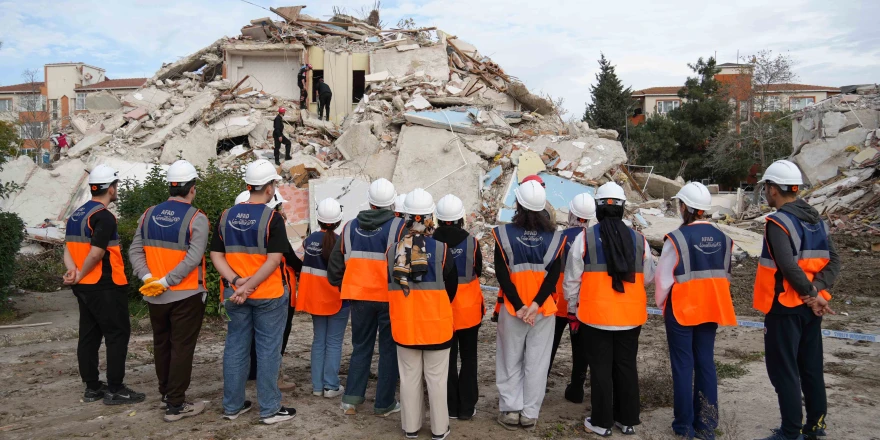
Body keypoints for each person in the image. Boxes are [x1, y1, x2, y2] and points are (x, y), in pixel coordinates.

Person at [753, 160, 839, 440]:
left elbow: (788, 266)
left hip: (785, 307)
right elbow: (834, 261)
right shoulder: (816, 220)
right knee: (811, 368)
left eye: (766, 187)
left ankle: (791, 432)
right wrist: (817, 293)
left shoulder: (778, 222)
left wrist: (812, 295)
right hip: (811, 308)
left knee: (784, 371)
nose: (766, 192)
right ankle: (815, 426)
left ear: (773, 189)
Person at [563, 181, 655, 437]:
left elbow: (571, 280)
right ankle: (627, 420)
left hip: (595, 317)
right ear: (622, 208)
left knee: (600, 369)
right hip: (630, 316)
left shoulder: (584, 238)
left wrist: (572, 308)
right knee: (626, 367)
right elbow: (648, 277)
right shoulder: (640, 240)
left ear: (598, 208)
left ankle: (601, 422)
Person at [210, 159, 296, 425]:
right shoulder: (272, 218)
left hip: (235, 294)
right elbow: (274, 260)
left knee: (236, 348)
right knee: (268, 351)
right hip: (268, 295)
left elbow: (216, 255)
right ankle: (269, 409)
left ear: (249, 186)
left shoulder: (226, 216)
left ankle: (232, 406)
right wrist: (249, 286)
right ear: (269, 188)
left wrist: (237, 282)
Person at [128, 160, 209, 421]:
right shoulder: (196, 218)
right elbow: (193, 258)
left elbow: (135, 250)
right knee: (181, 348)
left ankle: (167, 394)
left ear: (170, 187)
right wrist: (166, 281)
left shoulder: (148, 214)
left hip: (155, 296)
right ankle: (176, 404)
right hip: (186, 294)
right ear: (192, 188)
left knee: (162, 344)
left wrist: (149, 278)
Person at [656, 182, 737, 440]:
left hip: (682, 309)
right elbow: (725, 275)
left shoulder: (676, 239)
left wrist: (662, 304)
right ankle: (707, 424)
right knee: (705, 363)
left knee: (683, 366)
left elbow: (663, 280)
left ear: (684, 207)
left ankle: (684, 426)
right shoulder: (725, 239)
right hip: (711, 308)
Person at [63, 164, 145, 405]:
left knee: (89, 335)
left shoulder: (77, 214)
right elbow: (97, 253)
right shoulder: (104, 216)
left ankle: (92, 387)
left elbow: (67, 247)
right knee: (117, 334)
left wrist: (73, 272)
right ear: (110, 188)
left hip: (83, 286)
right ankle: (116, 389)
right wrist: (80, 273)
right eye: (115, 186)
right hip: (105, 284)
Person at [327, 178, 405, 416]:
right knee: (389, 350)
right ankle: (384, 403)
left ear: (370, 203)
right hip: (389, 298)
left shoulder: (349, 227)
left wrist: (346, 285)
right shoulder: (399, 227)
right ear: (392, 203)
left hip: (359, 297)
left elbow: (335, 266)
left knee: (361, 347)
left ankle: (351, 399)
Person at [493, 180, 564, 431]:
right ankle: (529, 413)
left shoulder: (503, 234)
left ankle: (510, 411)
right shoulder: (555, 238)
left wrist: (520, 305)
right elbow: (553, 277)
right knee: (537, 362)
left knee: (509, 359)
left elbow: (501, 275)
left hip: (513, 310)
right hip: (543, 311)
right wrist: (535, 305)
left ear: (518, 204)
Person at [388, 189, 458, 440]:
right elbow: (452, 287)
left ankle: (411, 427)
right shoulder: (442, 250)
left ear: (405, 218)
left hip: (405, 326)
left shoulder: (392, 252)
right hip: (436, 326)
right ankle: (439, 429)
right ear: (430, 218)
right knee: (437, 380)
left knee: (409, 379)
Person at [233, 189, 299, 392]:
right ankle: (273, 381)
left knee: (242, 340)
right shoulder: (272, 226)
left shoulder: (235, 227)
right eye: (280, 207)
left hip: (238, 289)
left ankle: (250, 374)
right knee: (273, 339)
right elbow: (288, 259)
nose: (283, 211)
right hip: (271, 290)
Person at [434, 194, 483, 421]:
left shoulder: (431, 244)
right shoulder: (472, 243)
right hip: (469, 311)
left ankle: (450, 406)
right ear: (460, 218)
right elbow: (478, 270)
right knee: (469, 358)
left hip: (442, 311)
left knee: (448, 359)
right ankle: (467, 407)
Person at [297, 198, 349, 398]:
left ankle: (317, 386)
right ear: (338, 220)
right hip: (337, 300)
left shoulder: (308, 241)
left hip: (315, 299)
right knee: (334, 343)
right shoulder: (341, 242)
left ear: (318, 219)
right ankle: (331, 386)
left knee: (319, 341)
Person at [548, 193, 595, 405]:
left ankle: (539, 384)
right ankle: (576, 389)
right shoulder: (593, 240)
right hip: (582, 304)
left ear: (571, 214)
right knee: (581, 349)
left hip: (557, 302)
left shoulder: (557, 238)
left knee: (549, 347)